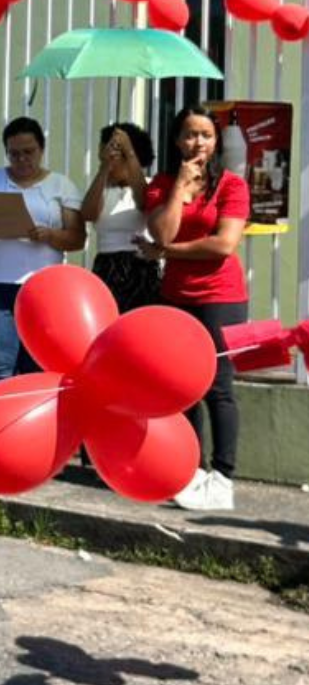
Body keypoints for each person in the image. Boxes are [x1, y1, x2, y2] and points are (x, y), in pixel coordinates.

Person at [140, 104, 249, 512]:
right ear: (176, 140)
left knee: (218, 387)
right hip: (176, 297)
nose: (197, 142)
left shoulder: (232, 186)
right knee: (183, 387)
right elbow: (159, 229)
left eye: (205, 134)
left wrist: (167, 251)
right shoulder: (162, 184)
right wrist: (179, 190)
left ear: (216, 140)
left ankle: (223, 477)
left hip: (221, 298)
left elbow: (223, 244)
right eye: (189, 134)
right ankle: (192, 470)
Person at [0, 117, 85, 386]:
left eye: (29, 152)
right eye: (14, 154)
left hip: (42, 290)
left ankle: (34, 428)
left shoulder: (61, 185)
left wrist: (50, 234)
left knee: (36, 368)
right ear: (6, 152)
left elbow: (77, 239)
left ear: (42, 149)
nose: (22, 160)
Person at [80, 121, 159, 312]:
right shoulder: (101, 189)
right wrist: (104, 168)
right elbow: (88, 213)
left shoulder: (150, 185)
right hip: (107, 266)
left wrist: (129, 150)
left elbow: (143, 202)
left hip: (140, 267)